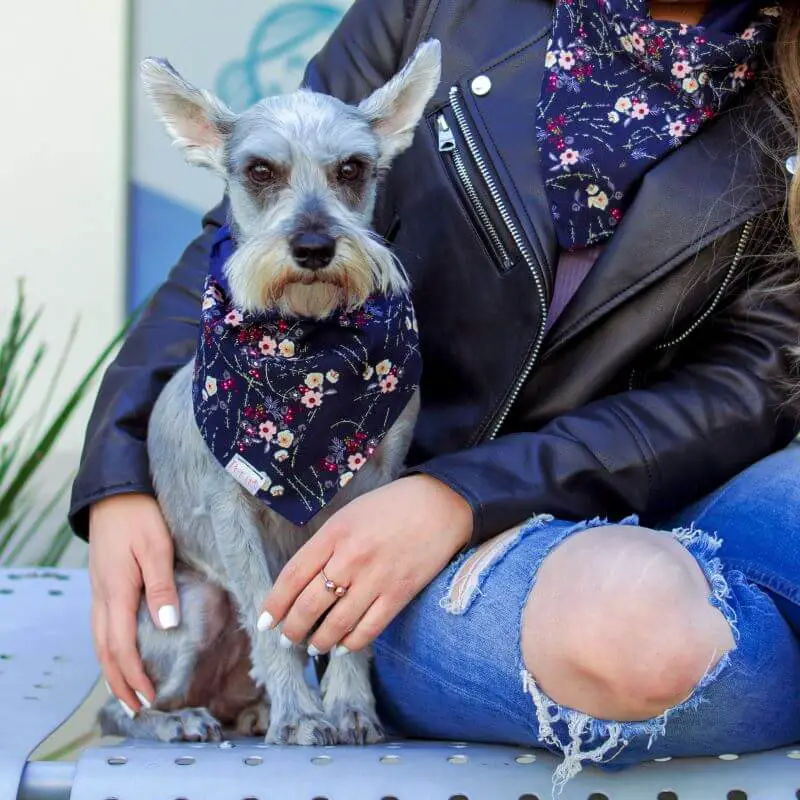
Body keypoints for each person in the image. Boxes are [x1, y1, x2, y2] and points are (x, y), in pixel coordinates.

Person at [72, 0, 800, 780]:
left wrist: (468, 493)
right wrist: (119, 474)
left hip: (668, 482)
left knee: (686, 632)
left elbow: (759, 377)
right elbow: (241, 232)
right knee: (644, 633)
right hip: (394, 523)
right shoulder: (431, 9)